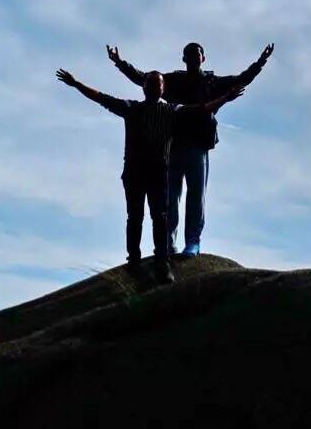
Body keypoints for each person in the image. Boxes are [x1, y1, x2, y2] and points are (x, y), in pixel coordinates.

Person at [56, 67, 244, 284]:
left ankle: (162, 262)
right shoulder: (131, 108)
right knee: (135, 217)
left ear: (163, 89)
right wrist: (77, 84)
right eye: (151, 83)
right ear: (144, 87)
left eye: (158, 84)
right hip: (135, 172)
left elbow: (201, 109)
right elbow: (102, 98)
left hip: (158, 172)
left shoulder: (173, 111)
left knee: (160, 217)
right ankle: (134, 262)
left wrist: (225, 99)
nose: (154, 87)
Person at [105, 42, 273, 258]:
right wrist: (120, 63)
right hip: (173, 145)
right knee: (170, 198)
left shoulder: (211, 82)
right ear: (183, 59)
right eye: (189, 55)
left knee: (196, 196)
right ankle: (168, 242)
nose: (193, 58)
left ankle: (193, 242)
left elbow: (240, 79)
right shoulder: (173, 81)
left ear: (203, 58)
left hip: (199, 145)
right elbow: (144, 78)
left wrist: (260, 62)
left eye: (197, 55)